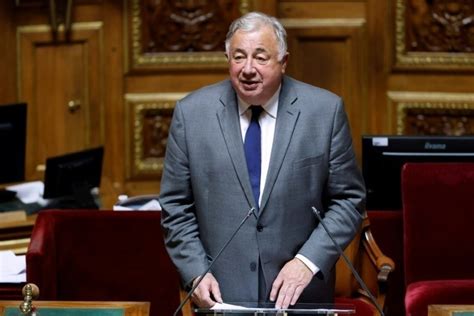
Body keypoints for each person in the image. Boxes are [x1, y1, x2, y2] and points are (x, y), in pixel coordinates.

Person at [159, 11, 365, 310]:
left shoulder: (324, 112)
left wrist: (307, 262)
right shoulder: (192, 114)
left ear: (284, 62)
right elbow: (175, 205)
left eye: (261, 57)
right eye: (238, 57)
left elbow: (348, 200)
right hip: (220, 297)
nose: (248, 69)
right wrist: (195, 270)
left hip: (299, 294)